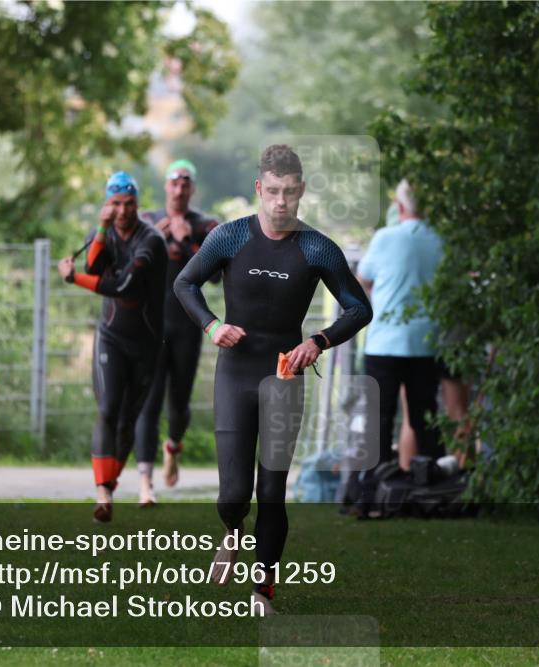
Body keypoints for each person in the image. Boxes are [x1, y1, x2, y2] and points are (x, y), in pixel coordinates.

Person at [174, 144, 372, 613]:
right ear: (259, 190)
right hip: (236, 374)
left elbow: (359, 308)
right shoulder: (229, 237)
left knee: (272, 491)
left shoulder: (317, 247)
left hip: (285, 378)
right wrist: (212, 325)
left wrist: (318, 342)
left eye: (290, 192)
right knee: (233, 494)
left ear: (300, 190)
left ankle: (262, 589)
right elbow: (184, 283)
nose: (281, 202)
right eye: (273, 192)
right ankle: (231, 531)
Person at [57, 171, 167, 523]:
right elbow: (95, 265)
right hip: (111, 336)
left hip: (147, 342)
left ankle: (110, 481)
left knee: (127, 421)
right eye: (116, 204)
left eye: (129, 203)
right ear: (108, 204)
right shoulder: (101, 231)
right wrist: (100, 231)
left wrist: (74, 278)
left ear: (137, 203)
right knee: (107, 409)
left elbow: (122, 286)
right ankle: (103, 494)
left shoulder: (151, 241)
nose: (122, 210)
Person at [134, 159, 220, 506]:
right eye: (174, 181)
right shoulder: (149, 221)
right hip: (152, 326)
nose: (180, 188)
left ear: (192, 188)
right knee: (148, 402)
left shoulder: (206, 227)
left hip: (187, 326)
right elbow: (132, 266)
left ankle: (173, 446)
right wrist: (158, 239)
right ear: (166, 186)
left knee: (179, 403)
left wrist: (186, 245)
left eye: (186, 182)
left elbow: (214, 277)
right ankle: (145, 484)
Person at [357, 179, 444, 471]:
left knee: (378, 420)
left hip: (385, 343)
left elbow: (364, 280)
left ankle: (372, 490)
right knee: (425, 418)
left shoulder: (385, 238)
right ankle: (431, 485)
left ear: (400, 205)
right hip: (426, 342)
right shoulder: (442, 239)